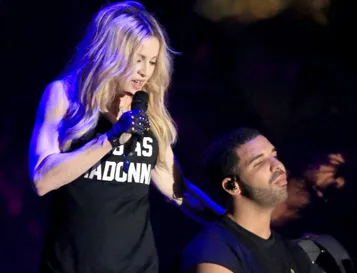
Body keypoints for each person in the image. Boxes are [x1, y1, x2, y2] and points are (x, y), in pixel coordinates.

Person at [28, 2, 223, 272]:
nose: (145, 71)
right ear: (112, 53)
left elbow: (179, 190)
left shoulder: (148, 110)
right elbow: (42, 179)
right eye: (138, 59)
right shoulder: (64, 96)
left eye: (152, 62)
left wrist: (232, 227)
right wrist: (110, 139)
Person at [180, 128, 321, 273]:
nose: (277, 166)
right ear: (232, 186)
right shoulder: (213, 252)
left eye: (274, 155)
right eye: (259, 162)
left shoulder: (292, 251)